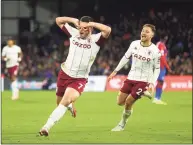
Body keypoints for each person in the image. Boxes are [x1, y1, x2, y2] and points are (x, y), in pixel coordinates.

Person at [39, 16, 111, 136]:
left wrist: (91, 23)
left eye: (85, 28)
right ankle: (70, 106)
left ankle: (46, 127)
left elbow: (107, 30)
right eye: (80, 28)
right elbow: (58, 20)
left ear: (90, 28)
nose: (81, 30)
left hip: (79, 79)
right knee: (59, 103)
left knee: (65, 101)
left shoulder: (96, 39)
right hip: (64, 74)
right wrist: (73, 21)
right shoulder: (74, 33)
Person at [108, 24, 161, 131]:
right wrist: (115, 71)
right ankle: (142, 93)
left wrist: (152, 83)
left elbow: (157, 69)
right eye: (142, 30)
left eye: (147, 31)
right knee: (119, 102)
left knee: (128, 102)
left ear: (152, 35)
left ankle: (122, 124)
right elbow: (125, 57)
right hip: (131, 77)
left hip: (144, 80)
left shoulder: (155, 51)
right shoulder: (134, 44)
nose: (143, 33)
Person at [153, 33, 172, 105]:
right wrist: (167, 67)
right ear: (165, 39)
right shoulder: (161, 45)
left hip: (159, 66)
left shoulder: (159, 44)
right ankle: (157, 98)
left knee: (160, 82)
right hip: (160, 67)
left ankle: (157, 98)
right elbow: (162, 57)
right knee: (160, 82)